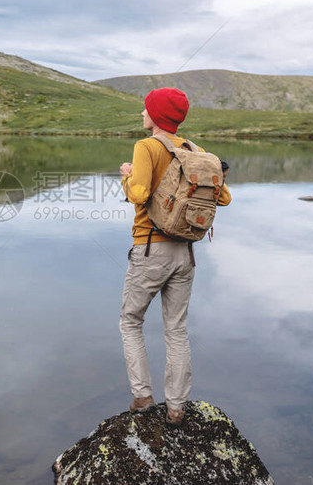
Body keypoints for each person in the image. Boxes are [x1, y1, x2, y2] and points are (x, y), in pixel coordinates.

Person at [118, 87, 231, 425]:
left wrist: (126, 176)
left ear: (156, 116)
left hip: (151, 247)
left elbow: (138, 193)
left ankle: (142, 396)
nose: (142, 113)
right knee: (177, 330)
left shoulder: (146, 147)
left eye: (145, 109)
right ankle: (177, 408)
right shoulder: (197, 152)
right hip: (186, 255)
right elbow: (223, 198)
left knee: (130, 321)